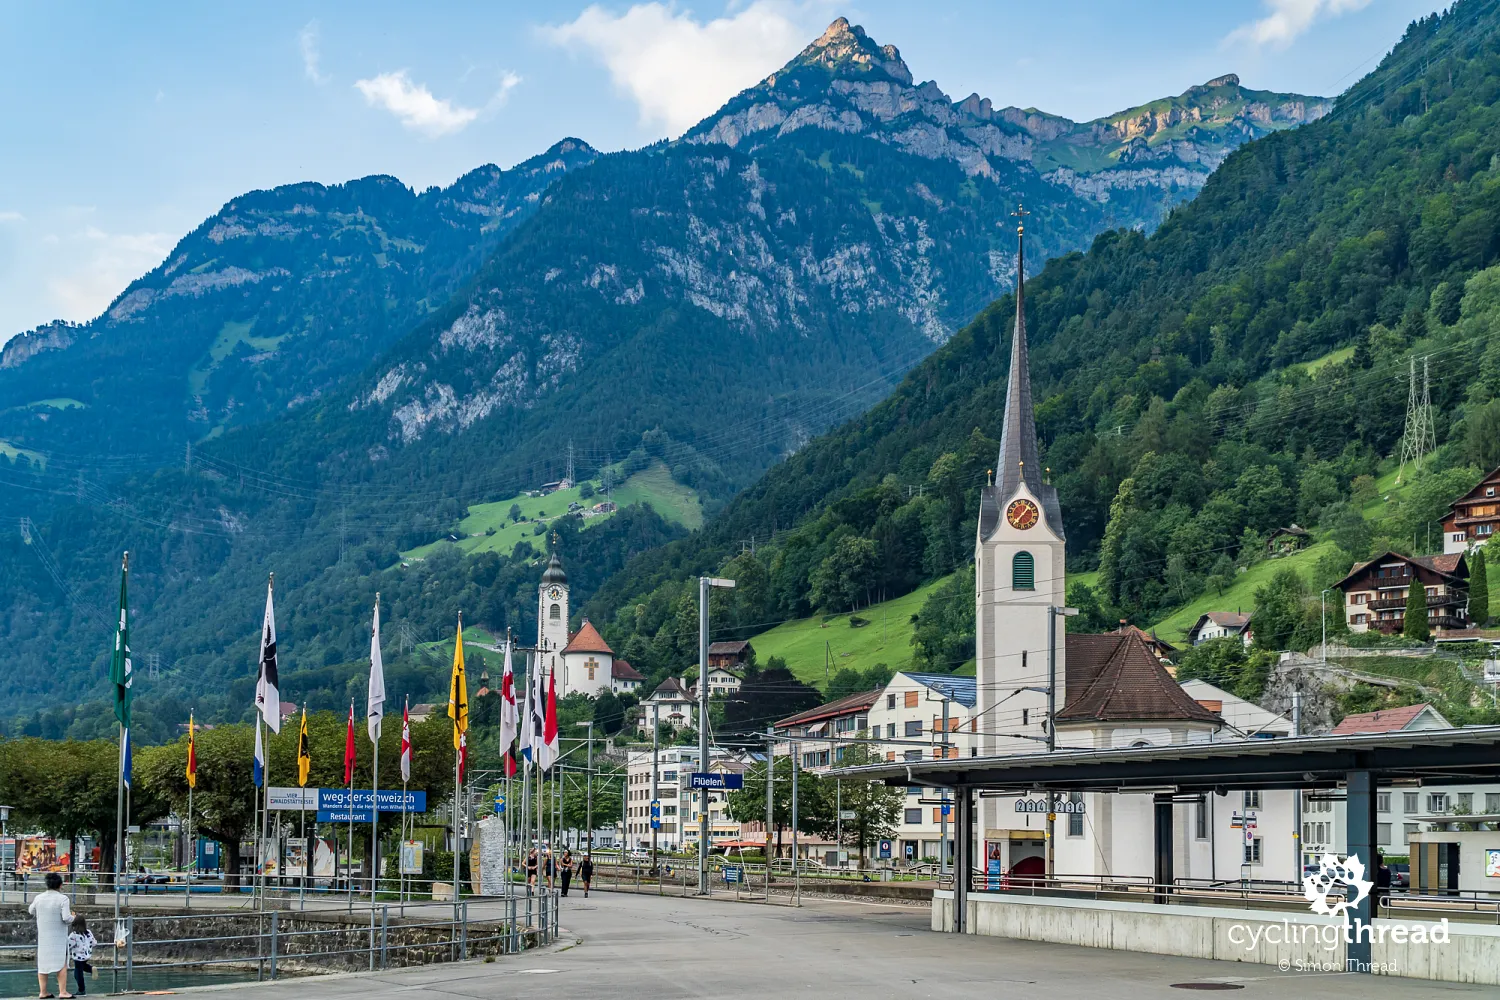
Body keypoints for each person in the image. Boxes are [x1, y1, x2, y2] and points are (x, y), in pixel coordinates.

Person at [28, 872, 74, 998]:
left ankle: (43, 992)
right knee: (61, 963)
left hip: (44, 936)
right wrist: (73, 917)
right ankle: (63, 992)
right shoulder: (63, 899)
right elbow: (66, 918)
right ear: (60, 885)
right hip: (58, 937)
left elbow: (31, 910)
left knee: (43, 964)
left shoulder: (39, 898)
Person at [66, 916, 96, 997]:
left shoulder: (74, 935)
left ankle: (81, 990)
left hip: (78, 956)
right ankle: (91, 969)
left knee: (78, 974)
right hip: (87, 955)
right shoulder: (88, 932)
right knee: (83, 967)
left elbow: (68, 945)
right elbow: (94, 943)